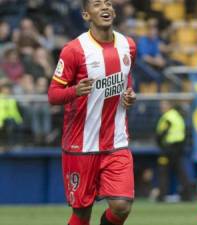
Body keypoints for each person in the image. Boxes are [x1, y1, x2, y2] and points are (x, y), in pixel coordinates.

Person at [47, 0, 137, 225]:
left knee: (122, 206)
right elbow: (53, 95)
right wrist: (75, 91)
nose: (105, 7)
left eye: (108, 3)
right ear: (86, 15)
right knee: (82, 213)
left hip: (116, 142)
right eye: (97, 4)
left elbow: (127, 78)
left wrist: (130, 94)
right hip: (81, 144)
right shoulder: (74, 50)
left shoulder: (129, 45)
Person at [155, 100, 192, 202]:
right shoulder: (177, 116)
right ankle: (187, 195)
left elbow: (161, 133)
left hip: (168, 149)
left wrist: (159, 143)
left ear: (168, 106)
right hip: (178, 148)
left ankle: (161, 195)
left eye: (163, 106)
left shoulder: (167, 117)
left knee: (163, 171)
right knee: (181, 171)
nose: (161, 108)